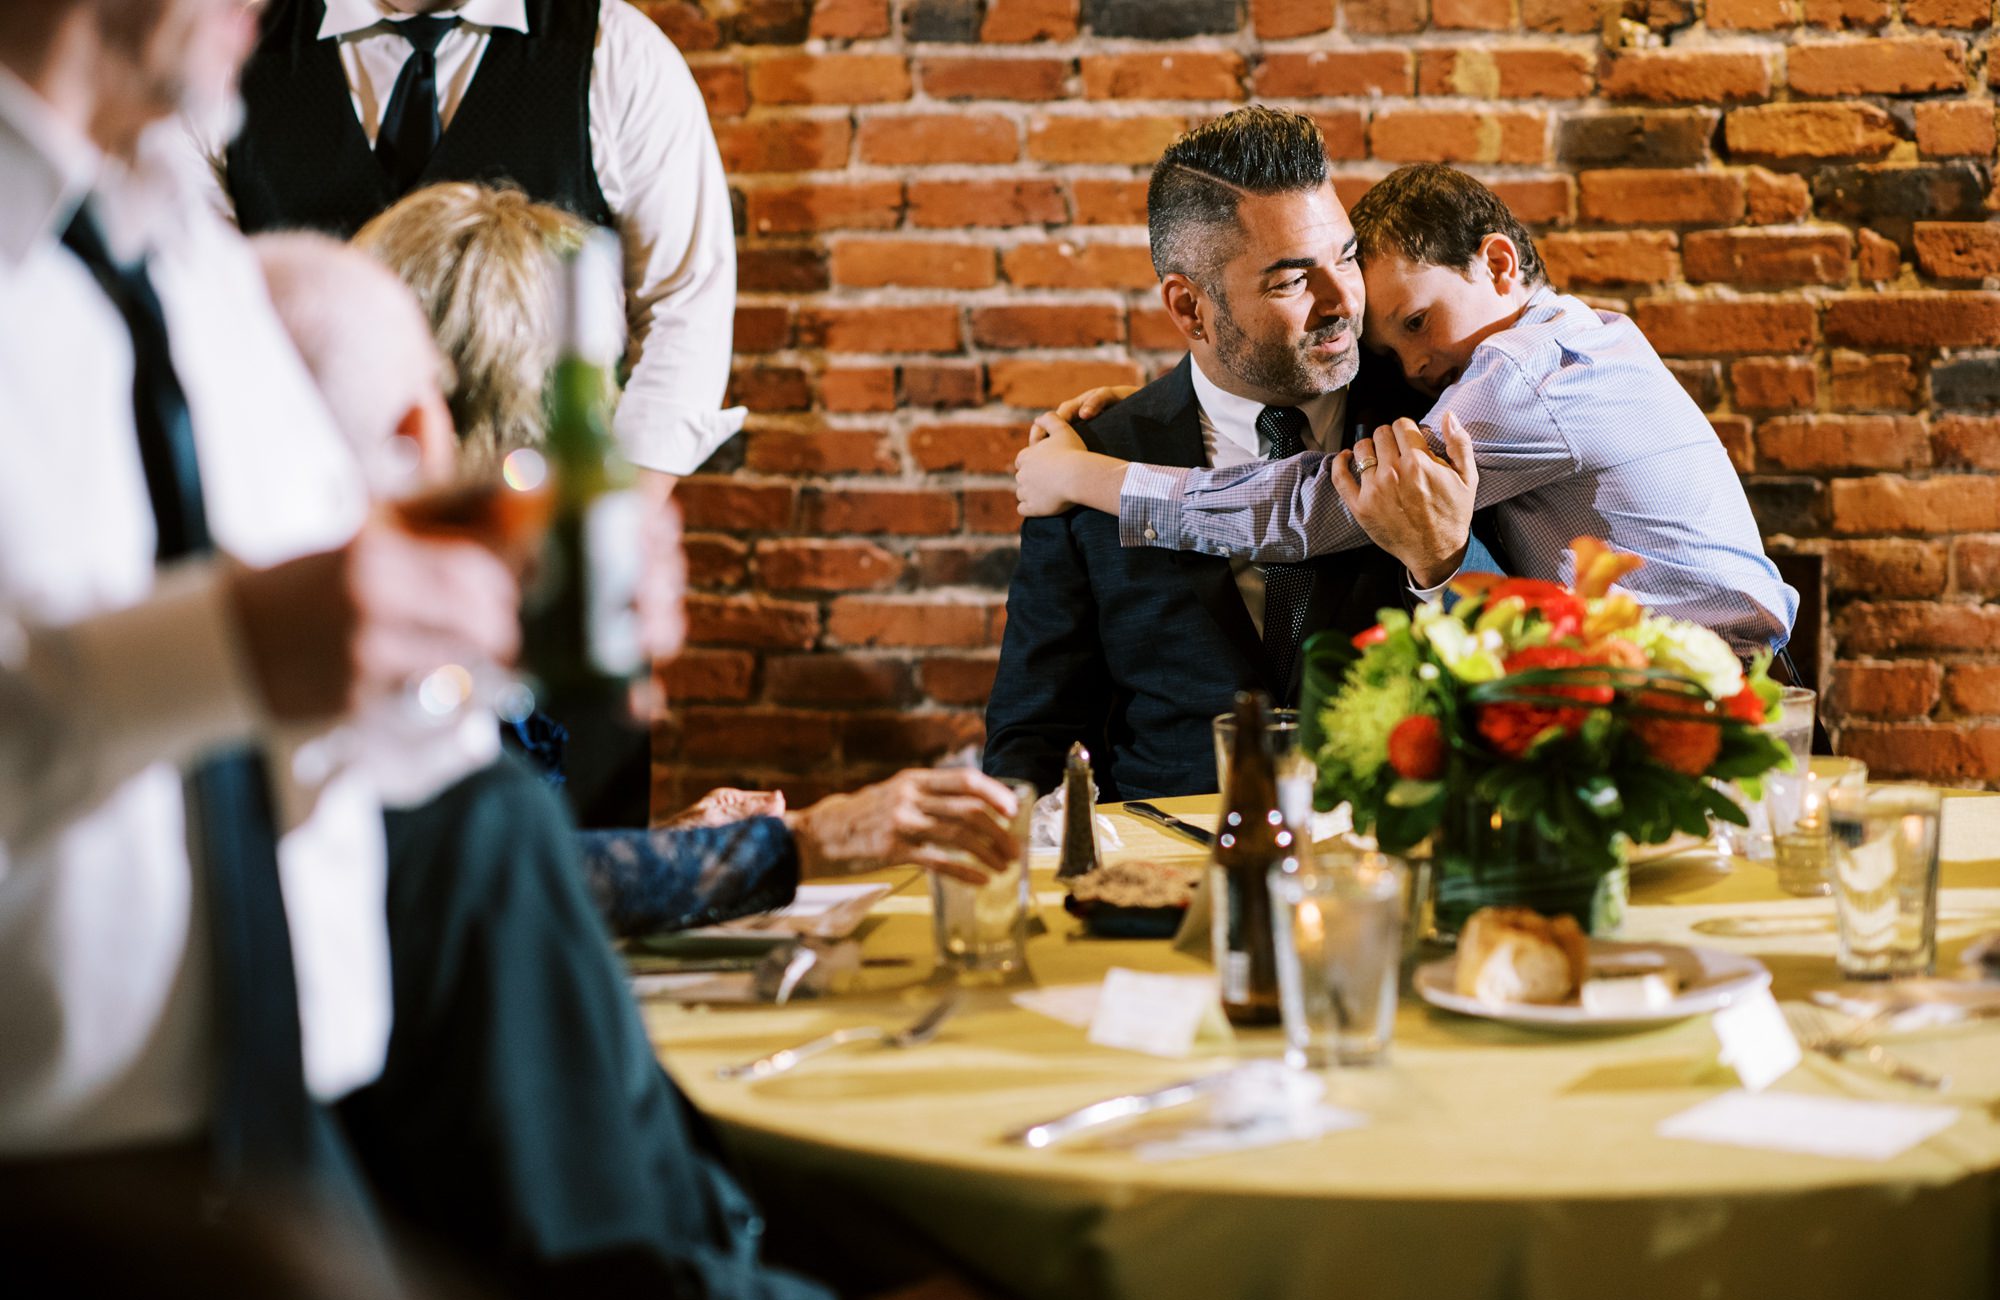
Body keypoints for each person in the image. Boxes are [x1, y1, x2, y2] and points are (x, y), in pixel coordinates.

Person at [0, 4, 848, 1300]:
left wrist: (476, 614)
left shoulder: (190, 257)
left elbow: (373, 727)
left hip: (329, 1144)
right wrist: (221, 650)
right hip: (78, 1202)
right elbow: (221, 649)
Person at [260, 221, 1023, 934]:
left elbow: (545, 872)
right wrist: (800, 840)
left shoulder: (456, 608)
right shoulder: (347, 634)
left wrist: (679, 847)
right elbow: (475, 884)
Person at [1015, 163, 1798, 658]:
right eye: (1391, 351)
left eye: (1418, 321)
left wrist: (1086, 475)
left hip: (1726, 692)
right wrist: (1164, 408)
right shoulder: (1576, 345)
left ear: (1496, 262)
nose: (1417, 368)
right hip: (1690, 680)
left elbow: (1307, 506)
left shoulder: (1526, 379)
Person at [981, 108, 1480, 800]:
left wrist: (1443, 564)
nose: (1343, 301)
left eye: (1345, 257)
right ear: (1190, 310)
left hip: (1390, 847)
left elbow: (1511, 666)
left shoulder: (1436, 408)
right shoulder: (1088, 456)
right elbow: (1030, 736)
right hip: (1170, 872)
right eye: (1291, 281)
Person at [191, 0, 740, 479]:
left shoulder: (617, 53)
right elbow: (198, 315)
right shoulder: (221, 59)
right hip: (310, 528)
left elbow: (684, 314)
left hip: (539, 521)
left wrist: (603, 535)